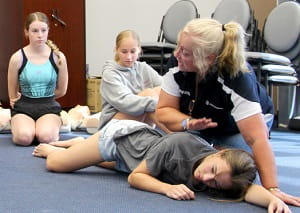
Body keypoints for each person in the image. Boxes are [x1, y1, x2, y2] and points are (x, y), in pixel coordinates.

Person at [155, 18, 300, 206]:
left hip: (238, 128)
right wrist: (188, 123)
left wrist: (272, 188)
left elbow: (256, 138)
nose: (176, 54)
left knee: (238, 173)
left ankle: (217, 150)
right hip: (200, 122)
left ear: (208, 58)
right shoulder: (178, 62)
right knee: (169, 151)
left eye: (185, 53)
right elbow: (164, 111)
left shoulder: (237, 77)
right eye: (179, 47)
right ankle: (211, 148)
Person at [32, 116, 291, 212]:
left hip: (137, 159)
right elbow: (136, 178)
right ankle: (70, 143)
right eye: (211, 172)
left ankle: (80, 146)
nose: (205, 180)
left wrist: (271, 198)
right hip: (121, 138)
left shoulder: (222, 173)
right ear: (219, 153)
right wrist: (167, 189)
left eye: (215, 183)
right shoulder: (180, 145)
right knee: (55, 163)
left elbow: (245, 190)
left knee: (108, 166)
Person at [7, 12, 68, 146]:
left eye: (43, 30)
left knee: (46, 137)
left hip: (49, 107)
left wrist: (43, 97)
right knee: (24, 138)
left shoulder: (58, 57)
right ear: (26, 32)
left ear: (48, 31)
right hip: (24, 107)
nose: (40, 35)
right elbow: (12, 94)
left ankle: (48, 126)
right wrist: (26, 98)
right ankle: (21, 126)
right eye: (34, 31)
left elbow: (62, 90)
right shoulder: (17, 58)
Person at [99, 30, 170, 133]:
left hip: (139, 117)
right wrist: (158, 104)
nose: (129, 57)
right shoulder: (110, 73)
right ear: (116, 50)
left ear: (139, 50)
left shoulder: (142, 67)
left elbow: (166, 87)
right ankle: (173, 133)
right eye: (124, 52)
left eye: (133, 52)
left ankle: (179, 130)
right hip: (112, 124)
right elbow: (126, 102)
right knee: (148, 95)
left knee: (161, 91)